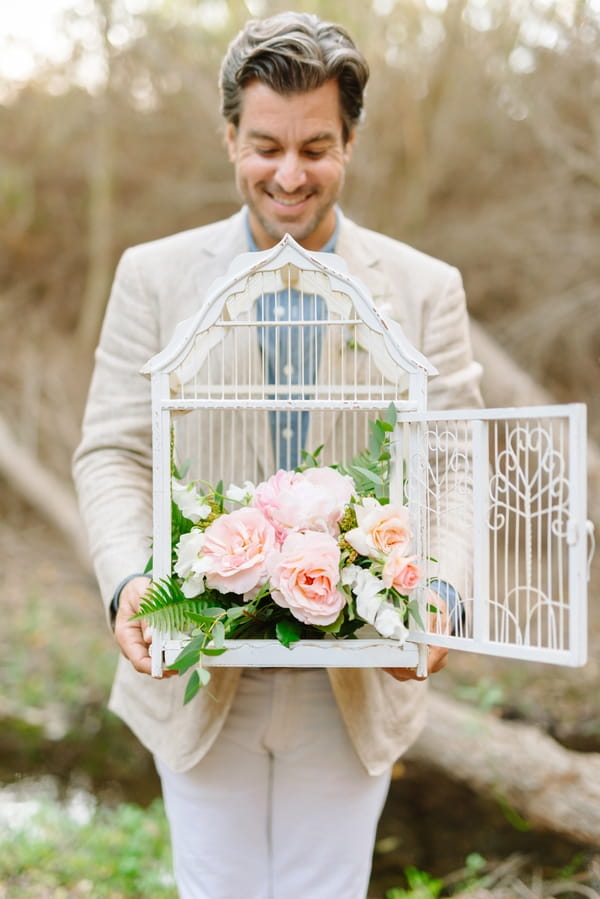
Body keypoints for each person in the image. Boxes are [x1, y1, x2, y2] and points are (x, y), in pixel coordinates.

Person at [73, 11, 482, 899]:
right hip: (195, 665)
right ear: (229, 138)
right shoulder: (153, 275)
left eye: (316, 148)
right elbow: (112, 449)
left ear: (350, 143)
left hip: (358, 672)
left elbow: (454, 459)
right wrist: (134, 578)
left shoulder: (422, 289)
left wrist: (439, 585)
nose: (289, 175)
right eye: (265, 146)